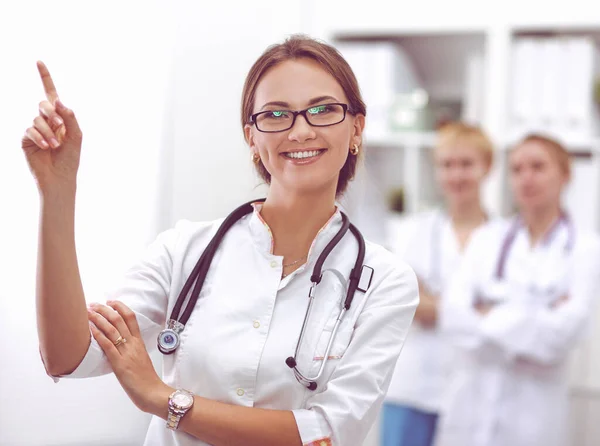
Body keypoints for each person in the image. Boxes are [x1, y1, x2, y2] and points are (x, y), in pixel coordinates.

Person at [24, 35, 419, 446]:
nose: (300, 130)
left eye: (323, 110)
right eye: (276, 115)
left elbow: (327, 434)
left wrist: (164, 399)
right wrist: (58, 192)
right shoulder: (185, 252)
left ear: (357, 127)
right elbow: (68, 357)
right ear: (252, 137)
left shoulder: (385, 282)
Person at [437, 134, 600, 446]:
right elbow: (453, 316)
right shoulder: (486, 239)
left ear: (565, 175)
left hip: (535, 417)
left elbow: (563, 334)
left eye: (538, 167)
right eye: (517, 169)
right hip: (471, 407)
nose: (526, 178)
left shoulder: (585, 248)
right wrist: (534, 318)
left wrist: (488, 312)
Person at [382, 122, 492, 446]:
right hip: (412, 387)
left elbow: (507, 314)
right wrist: (473, 311)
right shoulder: (412, 231)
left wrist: (434, 301)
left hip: (476, 390)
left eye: (466, 164)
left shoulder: (504, 239)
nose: (456, 175)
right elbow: (407, 303)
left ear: (487, 167)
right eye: (447, 165)